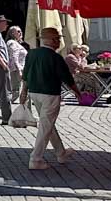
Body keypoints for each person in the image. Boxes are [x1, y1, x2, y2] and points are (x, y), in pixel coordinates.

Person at [19, 26, 79, 170]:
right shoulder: (55, 57)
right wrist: (77, 92)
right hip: (50, 93)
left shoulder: (31, 54)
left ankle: (61, 153)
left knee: (48, 124)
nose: (59, 42)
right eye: (58, 39)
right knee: (45, 127)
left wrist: (23, 92)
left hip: (34, 93)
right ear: (53, 40)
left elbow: (25, 74)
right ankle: (36, 159)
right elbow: (66, 77)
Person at [6, 26, 28, 99]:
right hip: (17, 69)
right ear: (12, 33)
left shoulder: (15, 43)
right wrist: (19, 71)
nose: (20, 33)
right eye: (18, 31)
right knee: (18, 92)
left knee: (16, 92)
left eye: (21, 31)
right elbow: (14, 57)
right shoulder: (12, 43)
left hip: (17, 69)